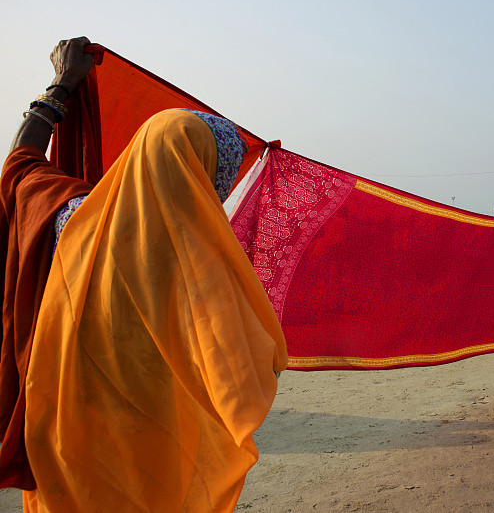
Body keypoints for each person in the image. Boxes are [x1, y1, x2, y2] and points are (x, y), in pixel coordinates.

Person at [1, 38, 288, 511]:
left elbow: (20, 166)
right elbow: (252, 369)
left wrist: (60, 85)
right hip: (148, 464)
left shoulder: (71, 219)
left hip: (60, 446)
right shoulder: (200, 270)